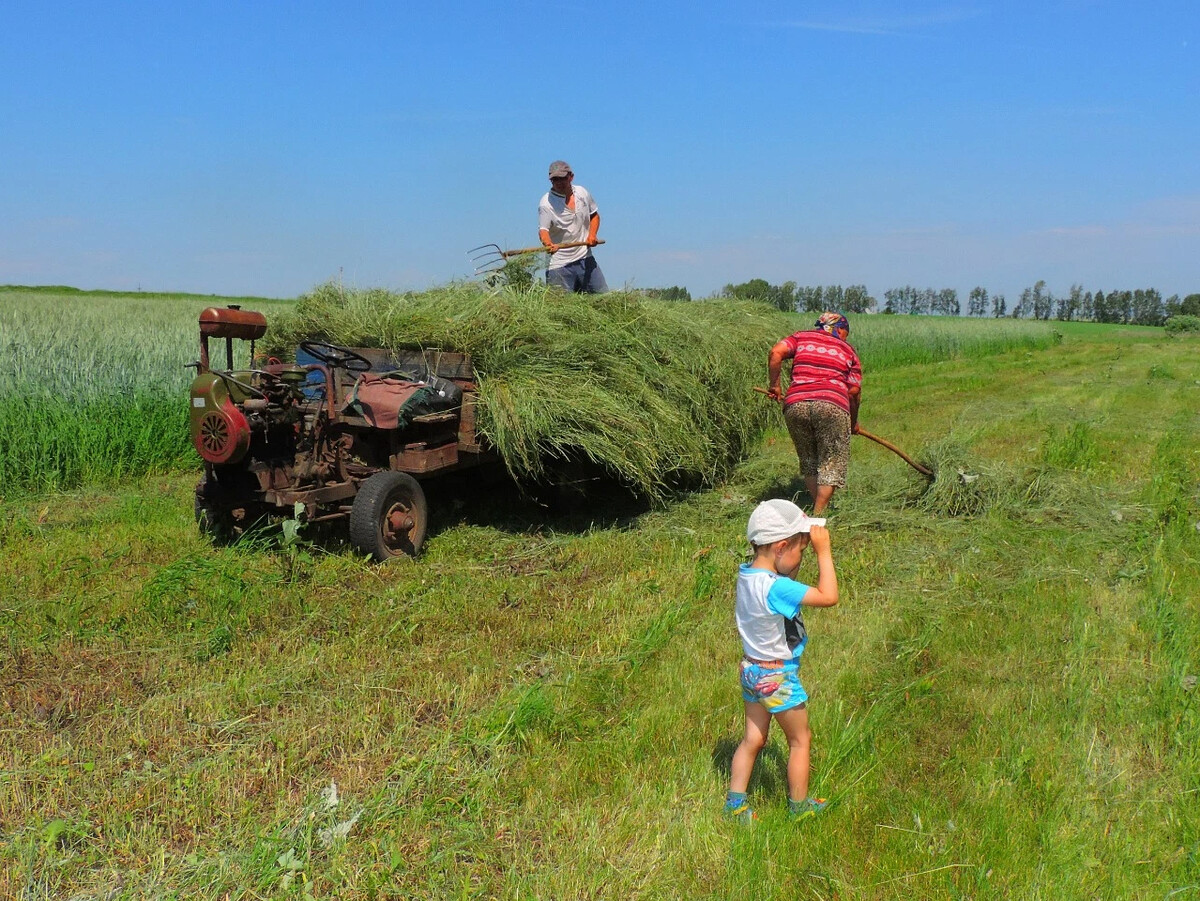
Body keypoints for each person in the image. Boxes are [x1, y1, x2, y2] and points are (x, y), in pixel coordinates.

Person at [725, 499, 839, 823]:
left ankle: (735, 807)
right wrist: (823, 551)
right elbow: (829, 596)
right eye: (799, 552)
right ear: (781, 546)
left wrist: (798, 551)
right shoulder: (777, 588)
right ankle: (799, 809)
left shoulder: (747, 575)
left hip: (751, 670)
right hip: (777, 677)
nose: (801, 558)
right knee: (800, 741)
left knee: (753, 739)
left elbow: (783, 569)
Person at [767, 311, 862, 514]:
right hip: (831, 405)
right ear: (840, 329)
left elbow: (776, 353)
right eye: (846, 332)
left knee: (809, 459)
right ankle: (819, 514)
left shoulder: (801, 337)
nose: (846, 337)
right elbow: (853, 392)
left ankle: (816, 507)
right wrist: (853, 421)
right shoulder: (848, 351)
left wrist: (774, 385)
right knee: (831, 460)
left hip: (796, 406)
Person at [538, 160, 608, 293]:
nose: (559, 183)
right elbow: (543, 230)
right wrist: (548, 243)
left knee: (604, 301)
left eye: (562, 178)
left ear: (571, 176)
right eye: (555, 180)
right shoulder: (546, 204)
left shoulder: (582, 193)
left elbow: (594, 216)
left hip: (585, 258)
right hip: (559, 265)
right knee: (560, 309)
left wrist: (592, 235)